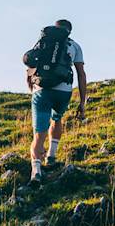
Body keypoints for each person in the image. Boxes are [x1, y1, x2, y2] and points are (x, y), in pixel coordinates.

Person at [26, 19, 86, 184]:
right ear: (69, 31)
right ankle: (51, 156)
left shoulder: (43, 42)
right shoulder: (74, 46)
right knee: (57, 118)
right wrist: (82, 102)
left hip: (42, 91)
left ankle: (36, 172)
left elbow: (30, 65)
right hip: (63, 92)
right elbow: (81, 73)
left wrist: (32, 86)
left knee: (39, 135)